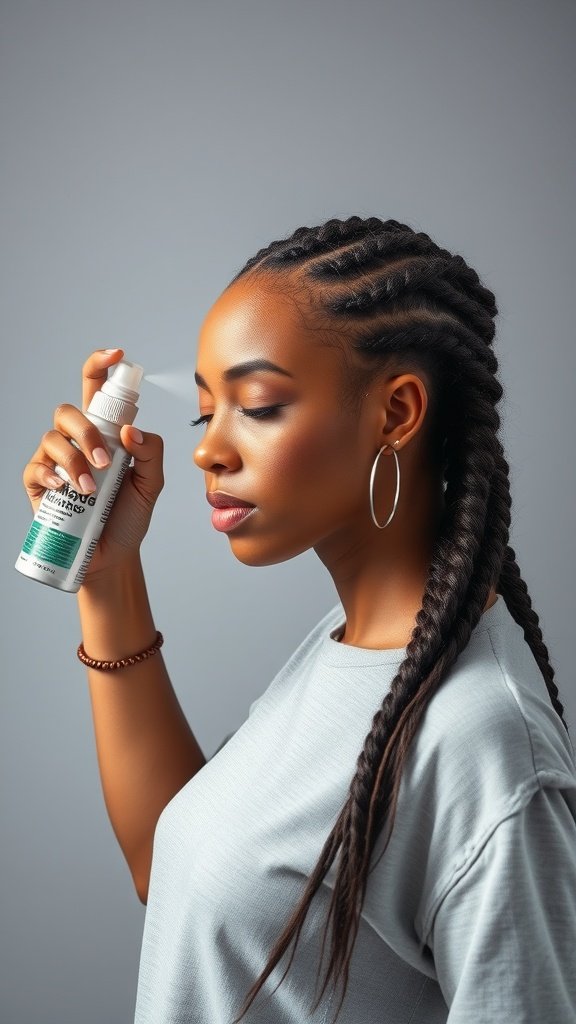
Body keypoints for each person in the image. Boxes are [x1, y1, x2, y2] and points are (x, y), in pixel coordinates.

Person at [22, 215, 576, 1024]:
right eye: (203, 413)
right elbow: (173, 870)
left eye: (259, 405)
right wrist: (107, 575)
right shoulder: (351, 644)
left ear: (397, 413)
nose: (211, 449)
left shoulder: (484, 741)